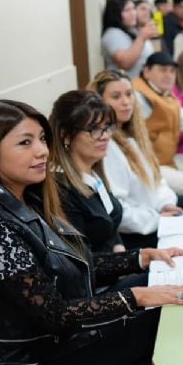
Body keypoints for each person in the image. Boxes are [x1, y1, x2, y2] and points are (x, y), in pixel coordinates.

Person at [0, 99, 183, 365]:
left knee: (158, 312)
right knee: (156, 327)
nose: (42, 151)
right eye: (25, 143)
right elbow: (55, 315)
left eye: (42, 139)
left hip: (54, 349)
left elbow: (69, 265)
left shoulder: (29, 201)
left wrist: (140, 257)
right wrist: (135, 298)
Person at [89, 70, 183, 249]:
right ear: (99, 102)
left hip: (156, 216)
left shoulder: (135, 135)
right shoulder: (107, 146)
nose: (126, 102)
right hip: (138, 234)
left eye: (129, 94)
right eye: (116, 96)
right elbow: (119, 212)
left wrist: (165, 204)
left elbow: (157, 180)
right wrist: (157, 219)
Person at [49, 90, 125, 255]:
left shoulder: (93, 173)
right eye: (94, 129)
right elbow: (82, 264)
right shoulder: (62, 192)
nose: (105, 136)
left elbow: (110, 223)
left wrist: (120, 248)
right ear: (66, 136)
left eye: (107, 128)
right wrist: (134, 261)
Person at [133, 52, 183, 196]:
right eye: (163, 70)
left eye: (172, 71)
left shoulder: (166, 95)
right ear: (147, 71)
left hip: (168, 160)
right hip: (150, 167)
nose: (169, 75)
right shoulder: (139, 96)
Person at [101, 0, 157, 79]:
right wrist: (142, 37)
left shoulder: (133, 31)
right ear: (115, 13)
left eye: (133, 8)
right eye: (127, 10)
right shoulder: (112, 34)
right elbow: (125, 63)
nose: (133, 13)